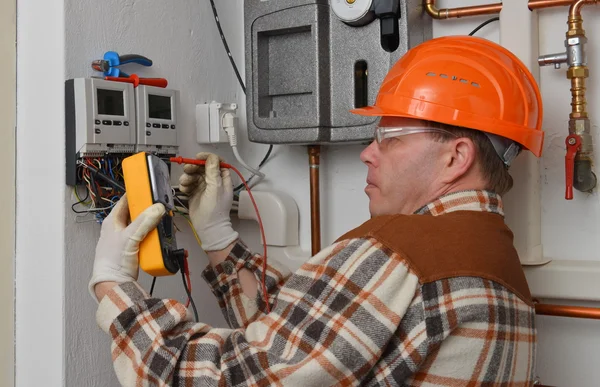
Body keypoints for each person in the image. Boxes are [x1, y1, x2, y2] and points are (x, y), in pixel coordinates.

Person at [90, 36, 543, 386]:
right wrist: (218, 239)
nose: (368, 153)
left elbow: (234, 378)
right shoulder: (490, 257)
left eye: (390, 137)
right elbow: (311, 342)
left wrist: (113, 284)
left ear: (455, 157)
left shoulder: (399, 253)